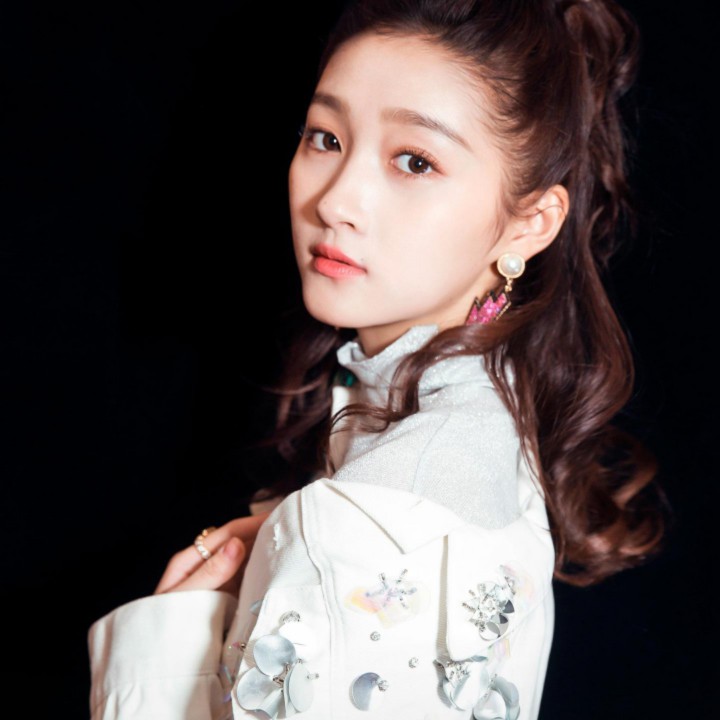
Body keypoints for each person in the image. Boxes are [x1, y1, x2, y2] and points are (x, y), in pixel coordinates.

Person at [87, 0, 668, 718]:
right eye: (325, 138)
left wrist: (164, 657)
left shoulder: (383, 509)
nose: (337, 200)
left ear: (529, 223)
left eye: (414, 161)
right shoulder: (479, 407)